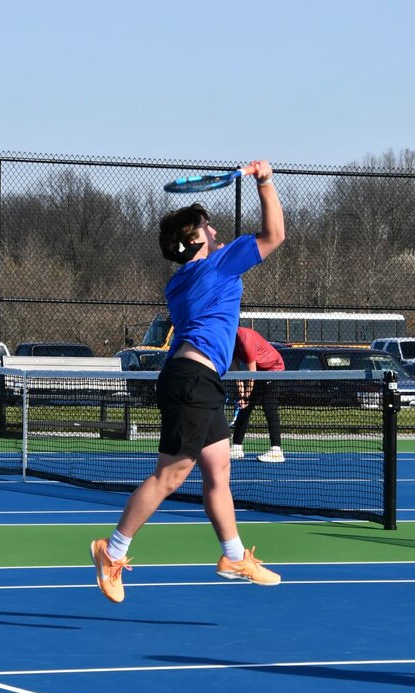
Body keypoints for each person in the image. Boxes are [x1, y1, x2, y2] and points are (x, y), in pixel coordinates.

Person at [90, 161, 285, 603]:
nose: (216, 231)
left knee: (218, 470)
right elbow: (275, 235)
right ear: (196, 238)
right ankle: (112, 551)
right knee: (170, 477)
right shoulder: (216, 266)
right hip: (193, 380)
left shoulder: (179, 284)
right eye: (208, 226)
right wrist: (266, 182)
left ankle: (234, 556)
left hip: (193, 378)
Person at [230, 326, 285, 463]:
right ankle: (236, 447)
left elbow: (252, 375)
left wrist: (246, 396)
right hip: (259, 371)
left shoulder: (246, 340)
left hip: (273, 369)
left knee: (269, 407)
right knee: (245, 408)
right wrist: (242, 397)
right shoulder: (228, 342)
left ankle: (276, 450)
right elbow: (237, 374)